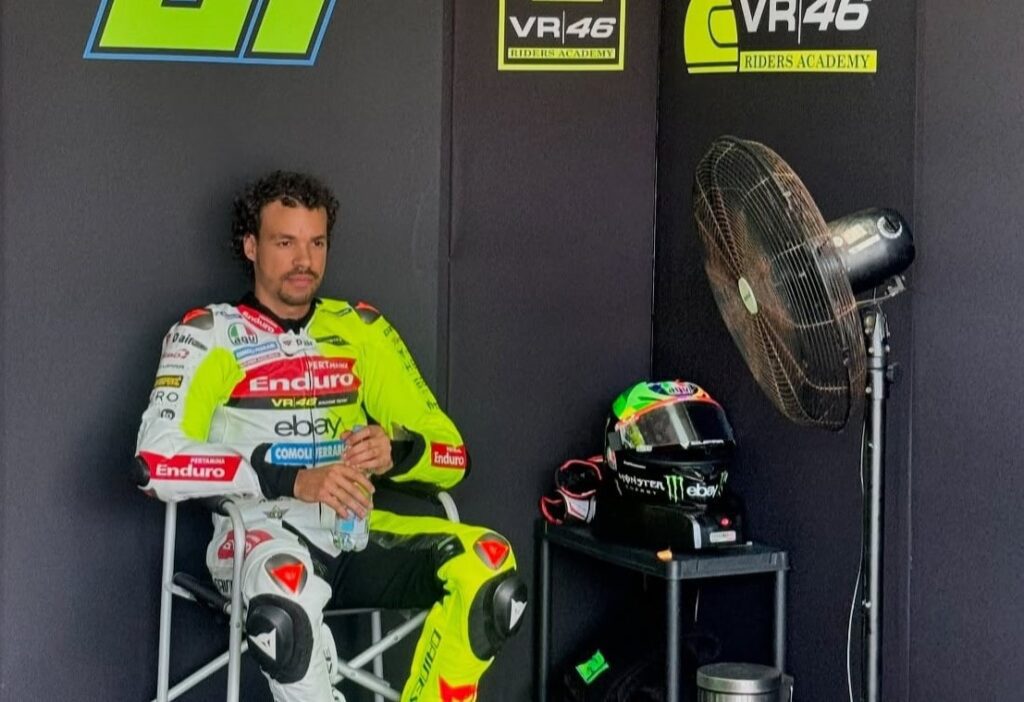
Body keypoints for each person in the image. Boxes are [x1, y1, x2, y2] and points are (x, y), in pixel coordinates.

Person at [135, 171, 527, 702]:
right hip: (258, 537)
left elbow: (453, 455)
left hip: (354, 532)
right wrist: (291, 478)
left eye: (316, 243)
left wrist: (397, 452)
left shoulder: (361, 329)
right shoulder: (209, 333)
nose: (304, 260)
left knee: (490, 567)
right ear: (250, 246)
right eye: (285, 242)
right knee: (286, 599)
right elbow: (155, 462)